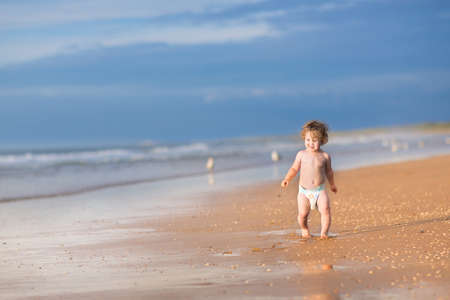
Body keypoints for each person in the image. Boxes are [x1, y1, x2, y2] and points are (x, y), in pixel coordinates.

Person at [281, 120, 337, 239]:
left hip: (320, 190)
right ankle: (304, 229)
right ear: (304, 139)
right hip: (304, 192)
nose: (310, 143)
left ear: (322, 140)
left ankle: (324, 233)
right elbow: (294, 168)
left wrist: (332, 185)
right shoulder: (301, 154)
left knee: (326, 210)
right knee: (303, 214)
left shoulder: (325, 156)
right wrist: (287, 179)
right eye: (308, 140)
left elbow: (329, 172)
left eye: (314, 140)